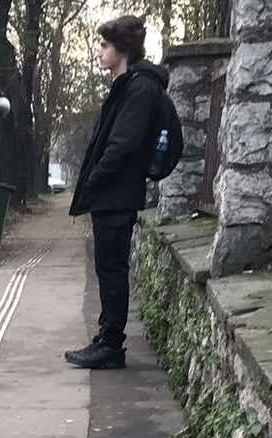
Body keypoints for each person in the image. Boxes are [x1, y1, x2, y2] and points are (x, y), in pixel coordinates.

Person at [66, 15, 170, 371]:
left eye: (105, 45)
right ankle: (106, 337)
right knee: (107, 267)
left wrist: (96, 178)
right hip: (112, 194)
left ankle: (112, 346)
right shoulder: (127, 86)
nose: (99, 51)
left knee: (112, 269)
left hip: (117, 194)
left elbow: (123, 144)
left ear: (122, 49)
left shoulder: (139, 89)